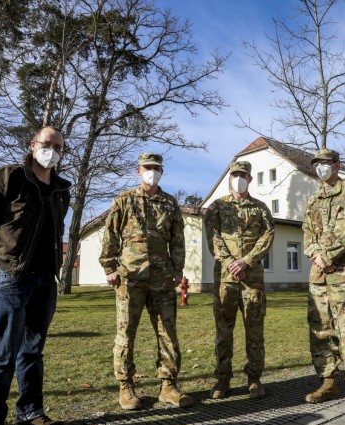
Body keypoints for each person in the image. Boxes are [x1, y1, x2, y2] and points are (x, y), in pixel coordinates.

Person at [0, 126, 71, 425]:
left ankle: (30, 412)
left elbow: (58, 230)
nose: (51, 150)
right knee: (3, 353)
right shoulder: (9, 176)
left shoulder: (62, 188)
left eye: (58, 146)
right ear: (32, 145)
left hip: (45, 279)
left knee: (33, 351)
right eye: (46, 143)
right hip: (13, 278)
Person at [99, 153, 193, 410]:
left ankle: (168, 385)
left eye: (156, 168)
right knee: (126, 334)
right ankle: (126, 386)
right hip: (130, 278)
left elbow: (177, 241)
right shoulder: (125, 200)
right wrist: (109, 266)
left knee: (167, 333)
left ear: (162, 171)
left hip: (162, 279)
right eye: (147, 168)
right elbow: (110, 234)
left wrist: (177, 269)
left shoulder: (170, 203)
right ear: (138, 171)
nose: (152, 172)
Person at [302, 148, 345, 410]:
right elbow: (307, 232)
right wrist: (316, 255)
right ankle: (328, 382)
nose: (321, 167)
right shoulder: (313, 199)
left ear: (336, 165)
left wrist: (329, 255)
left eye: (325, 163)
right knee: (321, 332)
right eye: (317, 163)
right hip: (319, 276)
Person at [204, 160, 275, 400]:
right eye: (235, 174)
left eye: (243, 174)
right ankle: (222, 380)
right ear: (229, 178)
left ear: (250, 179)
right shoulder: (217, 207)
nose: (239, 178)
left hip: (252, 279)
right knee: (223, 331)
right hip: (226, 279)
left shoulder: (261, 208)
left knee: (254, 330)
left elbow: (267, 237)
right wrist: (230, 264)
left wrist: (246, 261)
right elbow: (213, 238)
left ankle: (254, 379)